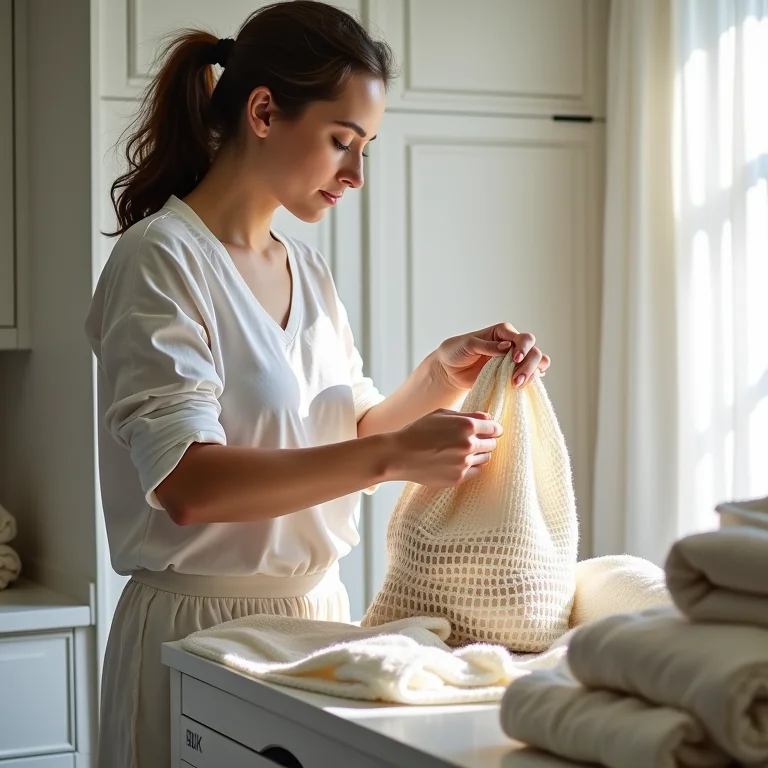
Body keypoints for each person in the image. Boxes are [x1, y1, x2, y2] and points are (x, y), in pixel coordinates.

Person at [85, 2, 550, 765]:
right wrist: (394, 457)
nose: (357, 174)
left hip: (317, 626)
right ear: (264, 111)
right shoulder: (160, 260)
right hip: (193, 634)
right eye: (342, 141)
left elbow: (349, 430)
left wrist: (443, 375)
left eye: (367, 147)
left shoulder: (307, 269)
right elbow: (187, 484)